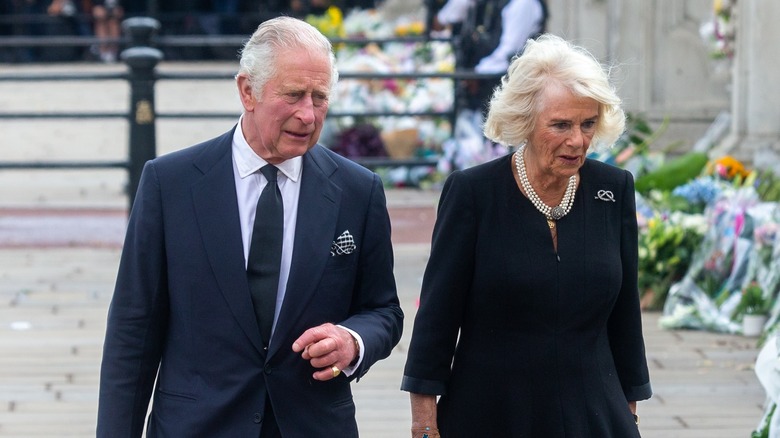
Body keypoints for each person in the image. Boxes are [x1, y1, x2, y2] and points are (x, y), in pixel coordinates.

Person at [97, 16, 404, 437]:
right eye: (294, 95)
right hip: (197, 425)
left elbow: (383, 309)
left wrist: (352, 341)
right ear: (247, 91)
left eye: (320, 97)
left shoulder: (357, 190)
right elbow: (133, 330)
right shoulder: (171, 184)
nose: (308, 114)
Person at [401, 34, 652, 437]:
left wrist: (629, 411)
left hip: (593, 412)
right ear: (524, 121)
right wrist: (424, 420)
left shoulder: (613, 189)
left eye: (588, 124)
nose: (577, 140)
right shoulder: (473, 193)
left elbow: (624, 314)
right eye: (561, 125)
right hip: (489, 411)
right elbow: (437, 316)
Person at [431, 0, 548, 113]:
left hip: (510, 82)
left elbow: (509, 52)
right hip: (490, 76)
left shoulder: (523, 4)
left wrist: (477, 73)